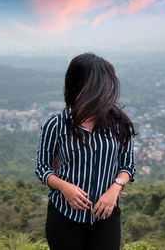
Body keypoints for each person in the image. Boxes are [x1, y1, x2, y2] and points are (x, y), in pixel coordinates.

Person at [35, 53, 136, 250]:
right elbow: (42, 168)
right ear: (80, 84)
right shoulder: (56, 125)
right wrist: (64, 187)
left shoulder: (117, 124)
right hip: (64, 216)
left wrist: (114, 190)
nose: (107, 91)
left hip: (106, 217)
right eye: (102, 85)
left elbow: (128, 166)